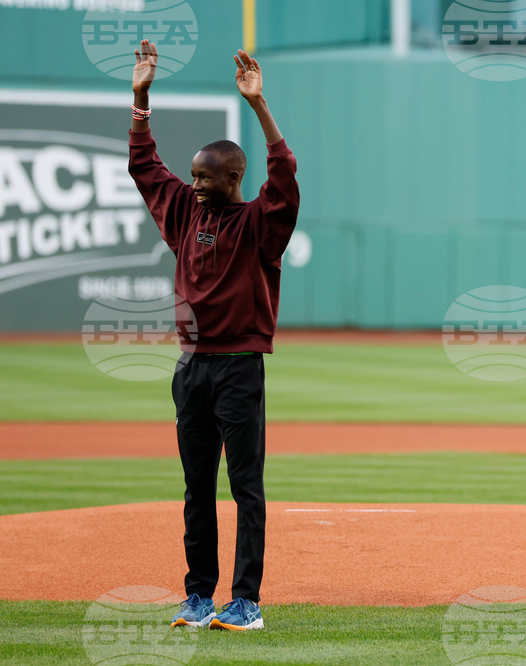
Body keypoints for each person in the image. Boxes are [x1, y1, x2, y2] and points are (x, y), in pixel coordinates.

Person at [128, 40, 300, 631]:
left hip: (238, 367)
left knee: (244, 490)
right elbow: (145, 167)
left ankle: (245, 602)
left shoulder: (260, 224)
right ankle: (199, 595)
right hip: (191, 368)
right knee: (196, 487)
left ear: (235, 176)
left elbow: (284, 179)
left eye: (206, 176)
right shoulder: (183, 213)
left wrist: (259, 107)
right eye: (193, 175)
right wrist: (141, 98)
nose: (195, 183)